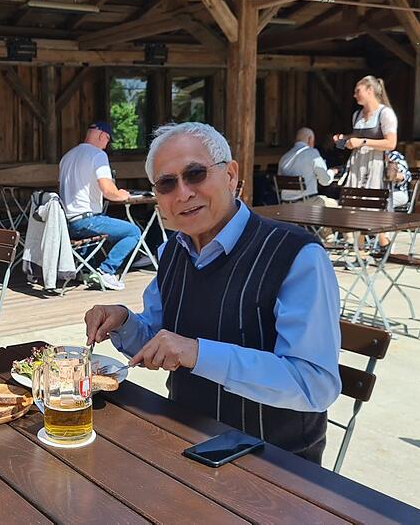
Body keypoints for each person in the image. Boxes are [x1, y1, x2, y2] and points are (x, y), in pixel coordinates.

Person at [84, 122, 341, 463]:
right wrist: (123, 321)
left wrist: (198, 353)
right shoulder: (173, 251)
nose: (183, 193)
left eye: (195, 174)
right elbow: (157, 338)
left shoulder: (295, 256)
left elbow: (314, 385)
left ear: (231, 175)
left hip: (274, 462)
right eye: (167, 183)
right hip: (182, 440)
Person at [59, 121, 144, 291]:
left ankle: (84, 270)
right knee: (133, 232)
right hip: (87, 221)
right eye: (108, 139)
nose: (106, 145)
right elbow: (107, 190)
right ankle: (106, 271)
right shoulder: (98, 155)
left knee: (98, 225)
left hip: (66, 223)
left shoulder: (67, 157)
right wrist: (122, 194)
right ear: (101, 136)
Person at [333, 75, 398, 191]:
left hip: (375, 163)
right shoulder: (357, 115)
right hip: (357, 163)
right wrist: (344, 139)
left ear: (370, 90)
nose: (354, 95)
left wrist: (363, 142)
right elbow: (357, 137)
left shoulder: (385, 113)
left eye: (358, 91)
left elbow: (391, 144)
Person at [277, 127, 338, 206]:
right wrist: (332, 172)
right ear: (310, 139)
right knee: (337, 205)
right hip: (307, 203)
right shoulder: (312, 153)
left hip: (285, 204)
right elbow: (325, 181)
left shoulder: (284, 157)